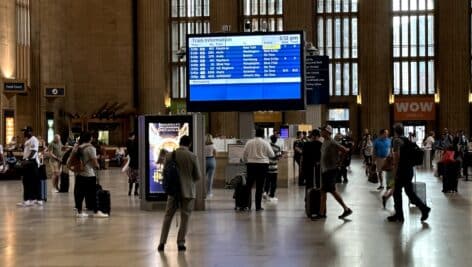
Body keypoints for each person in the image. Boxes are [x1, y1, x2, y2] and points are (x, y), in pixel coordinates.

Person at [158, 136, 201, 252]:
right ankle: (180, 243)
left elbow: (164, 173)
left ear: (180, 143)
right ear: (189, 144)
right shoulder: (192, 156)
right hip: (188, 192)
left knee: (168, 216)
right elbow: (198, 176)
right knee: (185, 217)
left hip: (173, 192)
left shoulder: (169, 156)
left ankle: (162, 242)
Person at [388, 123, 431, 222]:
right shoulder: (407, 140)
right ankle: (424, 209)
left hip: (401, 170)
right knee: (410, 192)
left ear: (395, 131)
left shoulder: (396, 141)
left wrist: (394, 172)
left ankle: (399, 215)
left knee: (397, 193)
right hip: (409, 170)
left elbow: (396, 158)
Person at [312, 125, 353, 220]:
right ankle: (322, 213)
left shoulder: (332, 142)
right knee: (324, 191)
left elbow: (345, 150)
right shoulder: (324, 142)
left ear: (328, 132)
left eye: (323, 130)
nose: (321, 132)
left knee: (331, 190)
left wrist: (340, 163)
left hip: (331, 170)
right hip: (325, 170)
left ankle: (346, 209)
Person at [72, 132, 108, 218]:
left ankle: (79, 212)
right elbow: (95, 163)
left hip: (79, 173)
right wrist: (98, 165)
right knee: (92, 194)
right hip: (89, 174)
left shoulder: (78, 147)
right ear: (90, 138)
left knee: (79, 193)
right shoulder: (91, 148)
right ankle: (96, 211)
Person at [242, 127, 275, 211]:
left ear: (255, 133)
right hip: (263, 166)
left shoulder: (249, 142)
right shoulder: (265, 143)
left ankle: (246, 205)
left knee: (248, 185)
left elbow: (244, 155)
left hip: (251, 165)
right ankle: (258, 207)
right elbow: (272, 154)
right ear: (263, 134)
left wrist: (247, 162)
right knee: (259, 187)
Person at [17, 126, 42, 207]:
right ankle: (34, 199)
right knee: (30, 181)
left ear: (30, 132)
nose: (23, 133)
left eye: (25, 131)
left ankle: (28, 200)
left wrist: (26, 160)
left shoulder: (34, 139)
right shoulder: (27, 140)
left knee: (27, 181)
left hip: (31, 163)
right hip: (29, 162)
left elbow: (34, 151)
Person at [263, 134, 283, 202]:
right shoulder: (277, 147)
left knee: (267, 181)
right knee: (273, 182)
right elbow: (278, 157)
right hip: (274, 167)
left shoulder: (267, 146)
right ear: (276, 140)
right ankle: (272, 196)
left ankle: (265, 192)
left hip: (267, 166)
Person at [125, 132, 139, 196]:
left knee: (131, 178)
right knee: (137, 178)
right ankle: (136, 191)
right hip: (137, 164)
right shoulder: (135, 144)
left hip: (131, 163)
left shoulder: (128, 143)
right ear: (133, 136)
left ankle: (130, 191)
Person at [204, 134, 216, 198]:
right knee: (210, 178)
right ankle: (209, 193)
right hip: (211, 160)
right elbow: (215, 153)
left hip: (204, 161)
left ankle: (203, 192)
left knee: (203, 178)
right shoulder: (212, 146)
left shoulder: (203, 145)